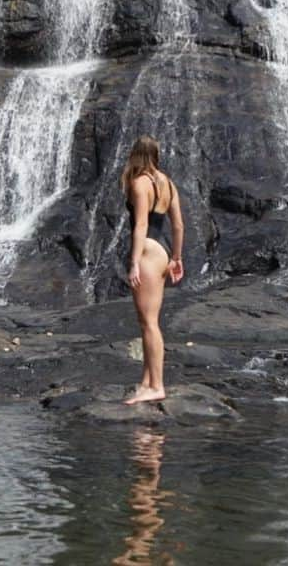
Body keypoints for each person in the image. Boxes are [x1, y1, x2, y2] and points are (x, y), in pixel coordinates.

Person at [121, 135, 184, 404]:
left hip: (146, 251)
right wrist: (177, 258)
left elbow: (141, 225)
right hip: (162, 251)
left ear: (136, 155)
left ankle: (157, 386)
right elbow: (179, 226)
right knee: (148, 321)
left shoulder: (139, 183)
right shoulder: (168, 183)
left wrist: (134, 261)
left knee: (149, 324)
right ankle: (147, 381)